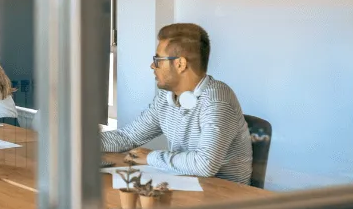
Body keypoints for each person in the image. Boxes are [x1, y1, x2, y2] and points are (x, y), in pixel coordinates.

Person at [100, 23, 252, 184]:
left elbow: (205, 164)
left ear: (180, 64)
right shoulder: (167, 97)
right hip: (186, 185)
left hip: (226, 198)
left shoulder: (217, 100)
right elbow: (127, 137)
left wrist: (151, 157)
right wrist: (79, 143)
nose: (152, 66)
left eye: (157, 60)